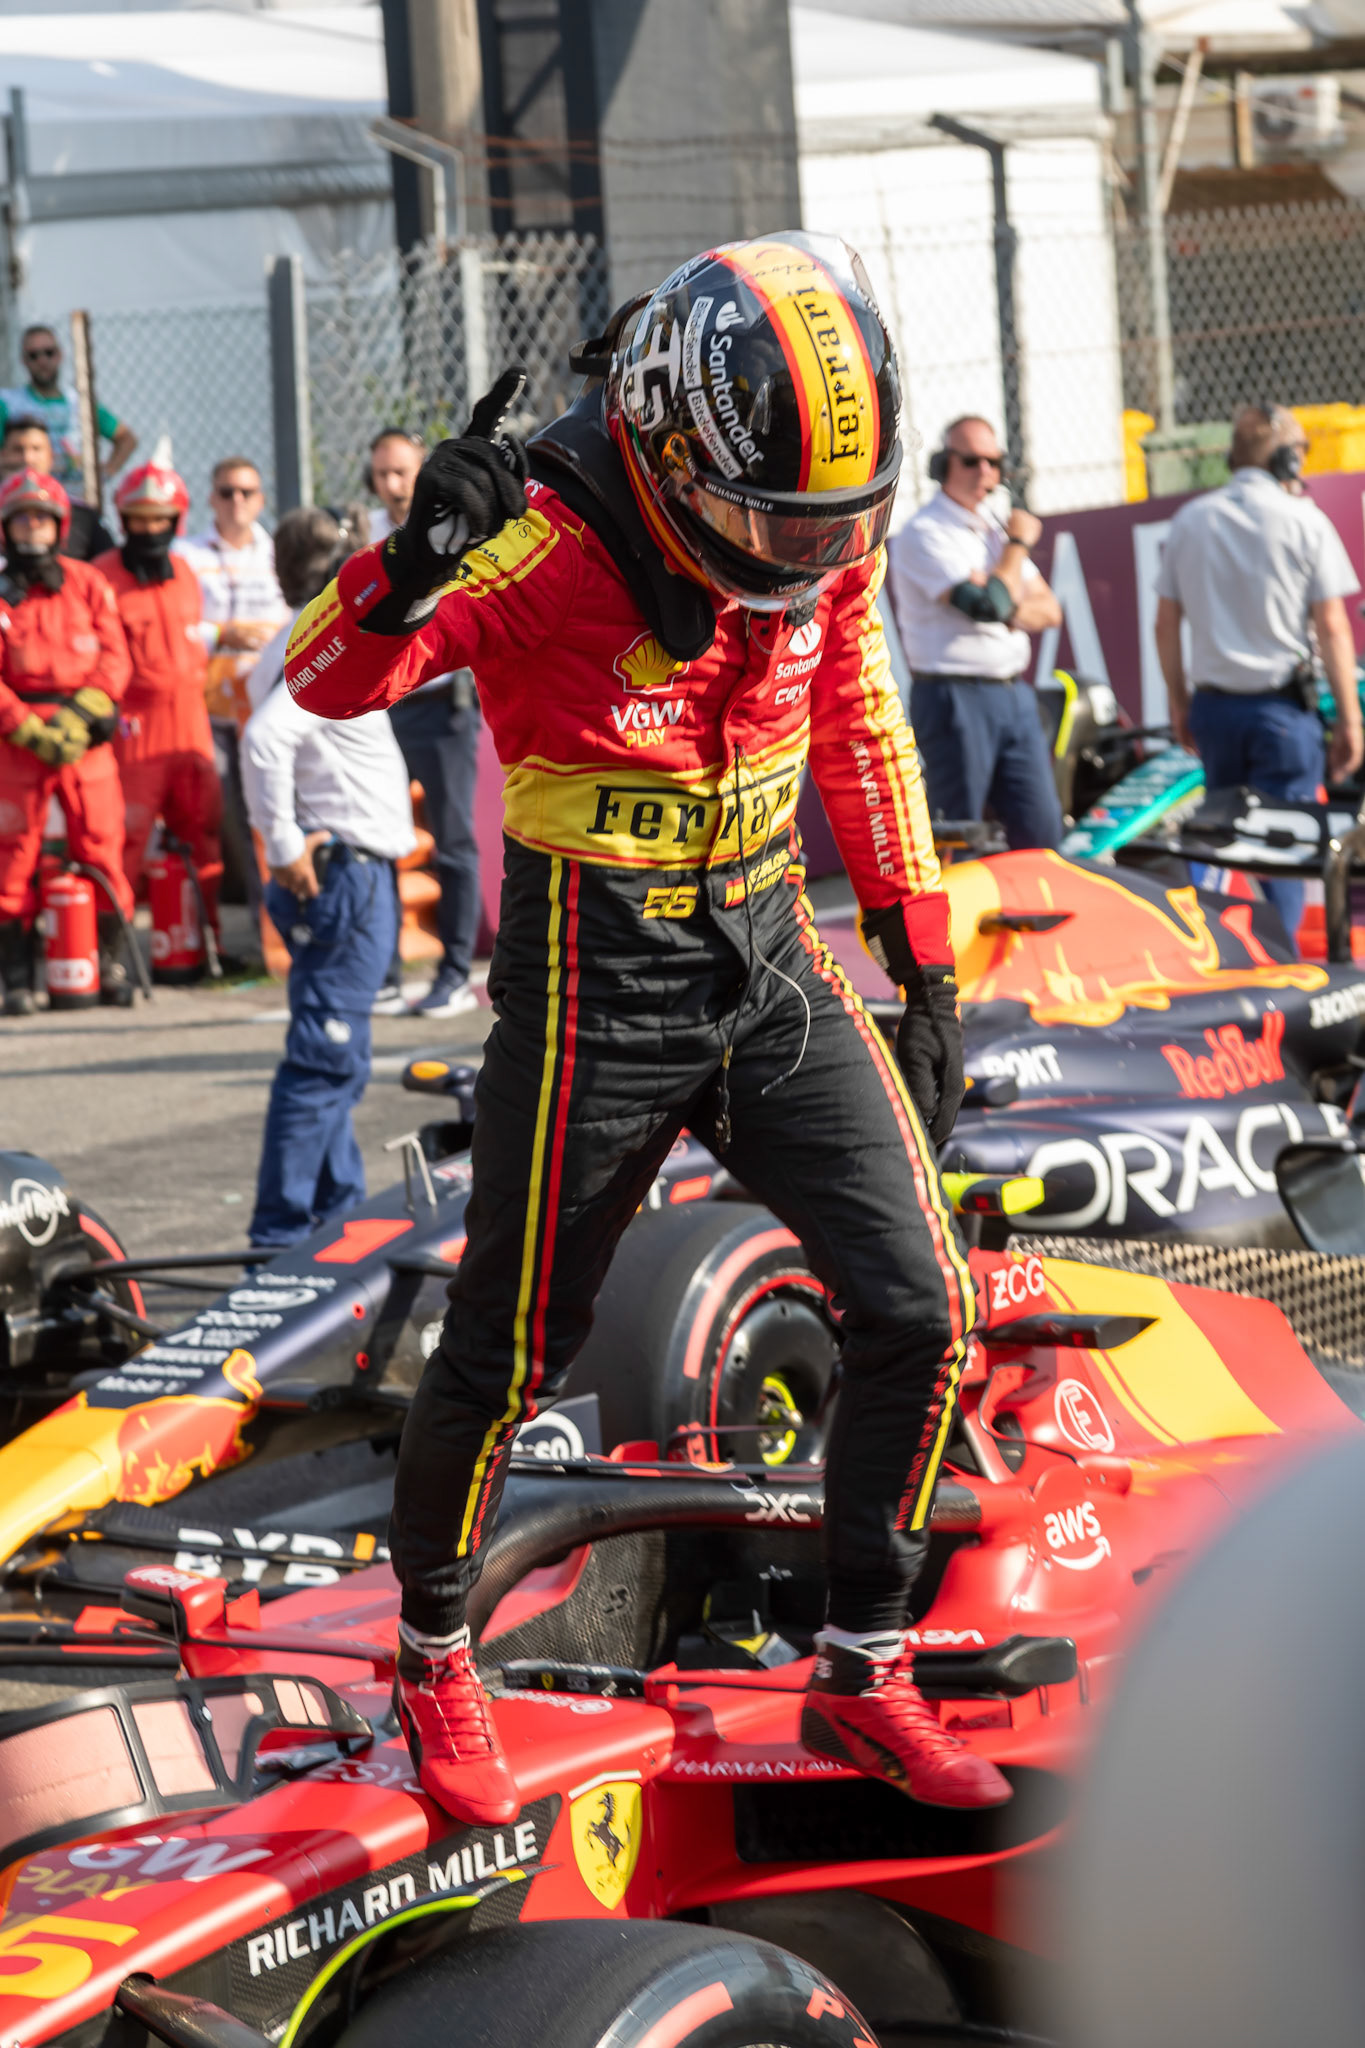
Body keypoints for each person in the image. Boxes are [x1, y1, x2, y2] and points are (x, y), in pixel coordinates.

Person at [289, 230, 1011, 1824]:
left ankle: (862, 1662)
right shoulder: (542, 540)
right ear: (674, 451)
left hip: (770, 950)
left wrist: (923, 960)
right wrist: (408, 557)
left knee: (926, 1304)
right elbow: (322, 680)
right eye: (774, 520)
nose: (805, 551)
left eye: (832, 522)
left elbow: (861, 717)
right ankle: (432, 1656)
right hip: (591, 979)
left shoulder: (827, 528)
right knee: (508, 1347)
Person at [241, 506, 415, 1249]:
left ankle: (337, 1221)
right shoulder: (324, 645)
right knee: (325, 1061)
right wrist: (282, 844)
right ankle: (280, 1239)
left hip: (342, 871)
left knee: (332, 1059)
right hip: (344, 873)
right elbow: (264, 739)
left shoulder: (287, 646)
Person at [1155, 403, 1365, 943]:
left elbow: (1165, 625)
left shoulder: (1190, 520)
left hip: (1215, 708)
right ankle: (1285, 965)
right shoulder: (1303, 521)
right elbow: (1333, 628)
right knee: (1284, 849)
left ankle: (1211, 954)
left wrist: (1180, 702)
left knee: (1217, 841)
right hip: (1281, 712)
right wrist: (1350, 720)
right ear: (1288, 458)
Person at [886, 417, 1064, 849]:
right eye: (970, 461)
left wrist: (1005, 602)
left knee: (1041, 831)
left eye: (993, 462)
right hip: (954, 698)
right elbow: (985, 607)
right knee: (959, 834)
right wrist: (1017, 550)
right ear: (943, 465)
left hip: (1013, 694)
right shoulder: (924, 533)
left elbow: (1050, 610)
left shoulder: (994, 529)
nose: (985, 472)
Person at [0, 469, 133, 1013]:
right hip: (17, 744)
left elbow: (115, 657)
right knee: (12, 858)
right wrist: (26, 728)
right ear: (6, 528)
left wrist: (79, 718)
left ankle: (112, 963)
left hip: (85, 740)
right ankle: (15, 978)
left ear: (59, 525)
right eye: (21, 519)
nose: (32, 527)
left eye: (42, 517)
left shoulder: (88, 583)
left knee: (101, 845)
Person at [367, 426, 482, 1019]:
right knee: (381, 839)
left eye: (401, 473)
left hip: (442, 707)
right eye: (381, 475)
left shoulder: (458, 527)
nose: (391, 485)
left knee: (453, 841)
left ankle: (454, 974)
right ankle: (384, 974)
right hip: (383, 708)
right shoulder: (365, 534)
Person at [93, 463, 221, 930]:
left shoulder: (184, 572)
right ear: (123, 520)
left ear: (176, 520)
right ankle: (113, 948)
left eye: (159, 518)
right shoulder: (100, 579)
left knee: (202, 830)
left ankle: (205, 941)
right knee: (124, 835)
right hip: (135, 726)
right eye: (139, 518)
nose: (149, 528)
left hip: (191, 723)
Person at [180, 456, 289, 918]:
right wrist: (222, 634)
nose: (236, 501)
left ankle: (276, 923)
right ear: (212, 498)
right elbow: (176, 626)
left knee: (270, 809)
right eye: (227, 492)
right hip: (207, 707)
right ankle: (249, 922)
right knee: (225, 814)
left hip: (267, 706)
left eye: (247, 492)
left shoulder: (277, 553)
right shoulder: (186, 555)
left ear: (261, 499)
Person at [0, 325, 136, 490]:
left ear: (60, 355)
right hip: (28, 495)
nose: (42, 361)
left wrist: (107, 471)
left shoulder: (80, 403)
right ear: (24, 360)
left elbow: (126, 438)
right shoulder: (8, 403)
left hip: (76, 495)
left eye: (49, 352)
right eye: (33, 355)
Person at [0, 417, 115, 561]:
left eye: (36, 449)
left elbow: (108, 565)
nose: (28, 458)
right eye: (18, 450)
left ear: (51, 456)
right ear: (3, 456)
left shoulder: (82, 516)